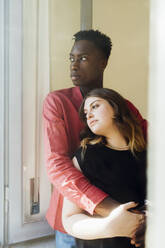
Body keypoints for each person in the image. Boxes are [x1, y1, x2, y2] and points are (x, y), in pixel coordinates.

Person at [43, 30, 147, 248]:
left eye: (82, 58)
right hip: (75, 221)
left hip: (131, 226)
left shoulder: (125, 108)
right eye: (71, 58)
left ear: (103, 63)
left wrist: (143, 217)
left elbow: (150, 148)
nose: (73, 65)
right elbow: (57, 164)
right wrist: (113, 211)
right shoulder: (57, 102)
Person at [62, 88, 147, 248]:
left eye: (95, 106)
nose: (88, 115)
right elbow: (69, 219)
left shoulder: (148, 154)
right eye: (86, 113)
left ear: (116, 108)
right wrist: (109, 227)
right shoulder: (85, 156)